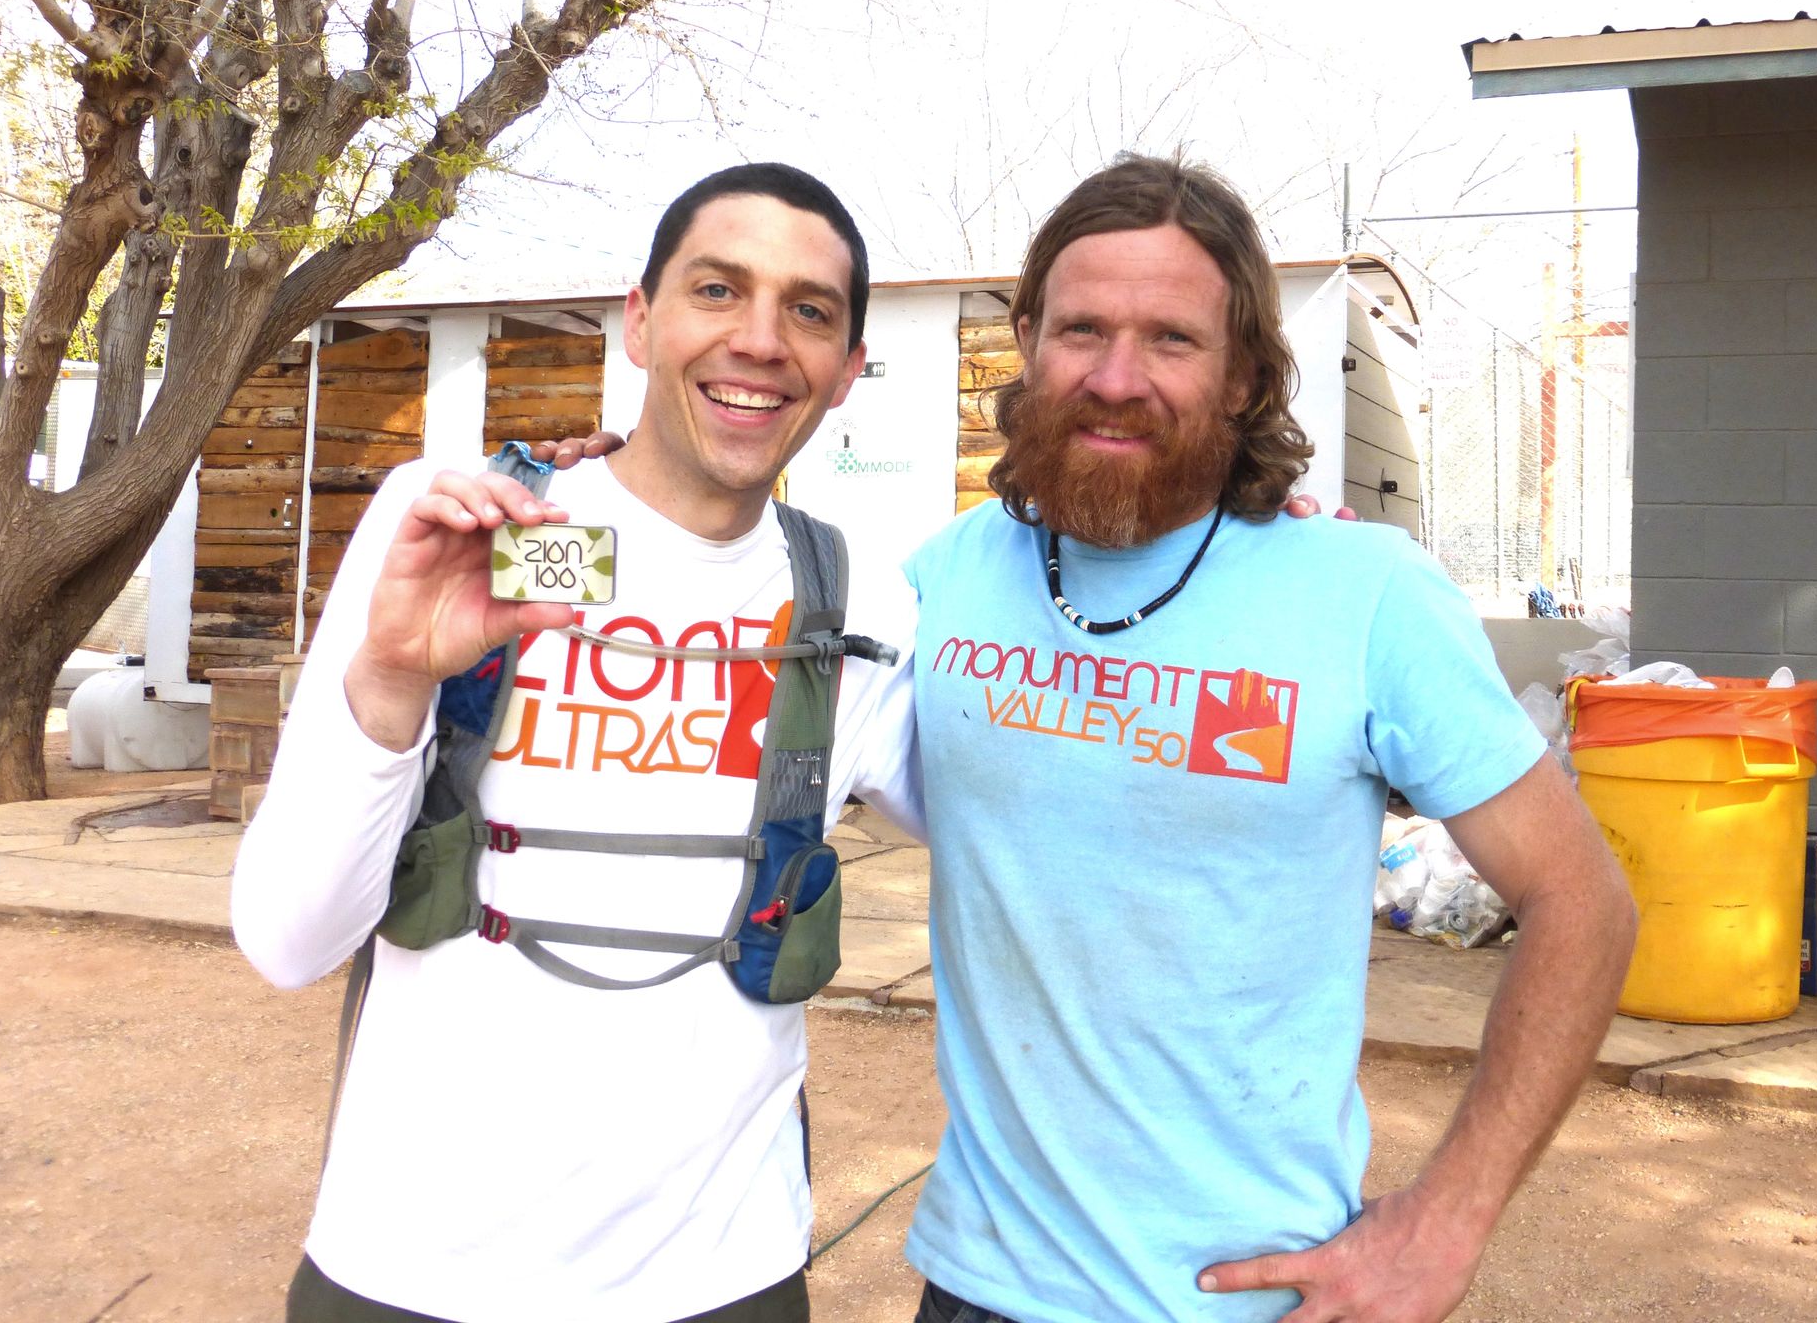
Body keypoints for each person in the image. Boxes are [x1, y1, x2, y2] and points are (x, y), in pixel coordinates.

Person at [897, 153, 1636, 1323]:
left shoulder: (1364, 593)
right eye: (1081, 331)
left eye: (1172, 341)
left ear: (1243, 376)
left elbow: (1581, 901)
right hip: (974, 1286)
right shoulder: (943, 582)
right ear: (1029, 343)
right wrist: (581, 497)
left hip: (1248, 1298)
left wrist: (1447, 1219)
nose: (1117, 378)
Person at [232, 163, 926, 1323]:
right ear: (640, 322)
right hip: (409, 1275)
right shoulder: (479, 532)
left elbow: (1039, 805)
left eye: (808, 310)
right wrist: (395, 679)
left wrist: (1248, 550)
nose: (758, 339)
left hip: (725, 1284)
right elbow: (287, 945)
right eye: (716, 289)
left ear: (848, 369)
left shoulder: (857, 612)